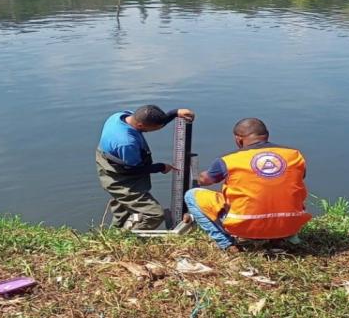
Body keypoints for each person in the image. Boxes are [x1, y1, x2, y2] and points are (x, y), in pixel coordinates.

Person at [184, 118, 311, 251]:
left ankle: (226, 244)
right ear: (266, 136)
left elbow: (206, 180)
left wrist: (199, 176)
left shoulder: (228, 160)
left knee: (191, 195)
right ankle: (278, 238)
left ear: (238, 139)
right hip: (290, 225)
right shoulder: (294, 155)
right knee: (282, 192)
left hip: (244, 227)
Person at [96, 105, 195, 230]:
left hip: (111, 158)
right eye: (152, 129)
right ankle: (127, 239)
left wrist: (175, 113)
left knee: (123, 205)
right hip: (121, 173)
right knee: (154, 215)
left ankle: (116, 231)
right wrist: (160, 167)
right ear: (141, 126)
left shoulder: (120, 116)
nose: (154, 131)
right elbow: (132, 170)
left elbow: (151, 120)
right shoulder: (126, 142)